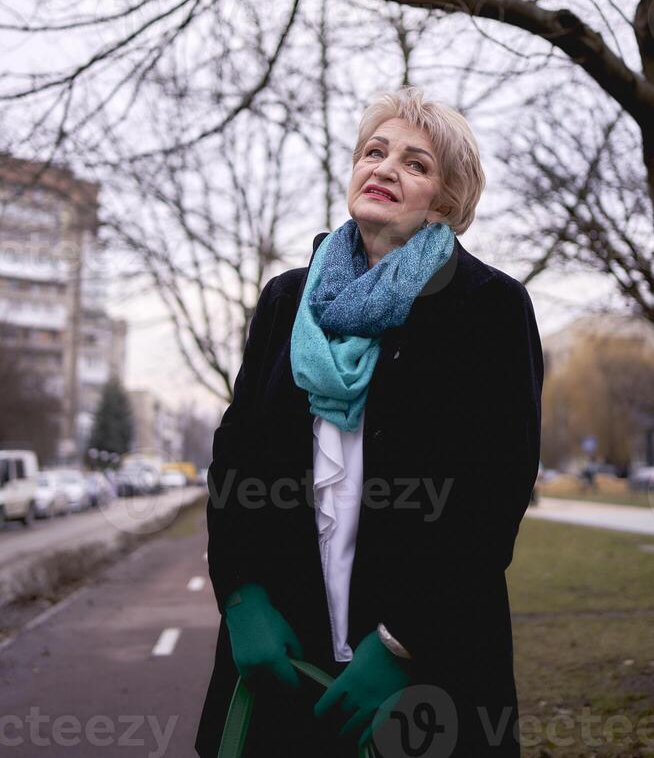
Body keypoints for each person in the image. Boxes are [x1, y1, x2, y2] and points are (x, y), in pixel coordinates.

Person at [194, 86, 544, 758]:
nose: (383, 168)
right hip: (284, 660)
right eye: (373, 152)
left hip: (425, 675)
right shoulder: (285, 300)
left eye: (415, 164)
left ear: (445, 200)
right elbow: (235, 460)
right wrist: (240, 596)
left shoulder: (489, 308)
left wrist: (405, 640)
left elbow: (492, 495)